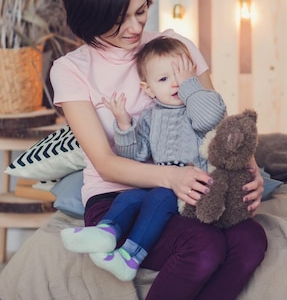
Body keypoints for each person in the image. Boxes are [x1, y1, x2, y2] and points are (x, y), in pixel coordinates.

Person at [50, 0, 267, 300]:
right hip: (120, 199)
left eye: (141, 11)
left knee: (251, 239)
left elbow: (217, 125)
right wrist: (170, 178)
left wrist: (251, 173)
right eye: (120, 19)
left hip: (191, 188)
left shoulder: (174, 47)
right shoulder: (71, 69)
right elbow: (105, 163)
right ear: (91, 18)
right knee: (204, 245)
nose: (136, 27)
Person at [61, 36, 227, 282]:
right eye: (164, 79)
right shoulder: (150, 117)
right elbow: (135, 156)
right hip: (166, 185)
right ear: (148, 89)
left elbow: (210, 119)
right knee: (131, 196)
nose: (175, 84)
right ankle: (107, 230)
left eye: (180, 76)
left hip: (197, 188)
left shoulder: (198, 106)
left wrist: (191, 86)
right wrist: (124, 125)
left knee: (159, 196)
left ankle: (130, 256)